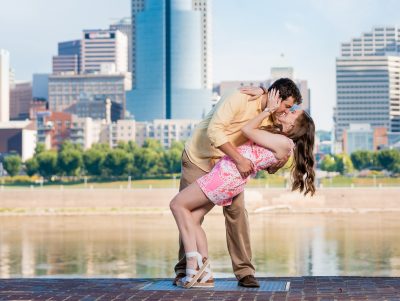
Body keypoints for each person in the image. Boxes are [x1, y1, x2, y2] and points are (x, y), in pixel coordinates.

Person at [170, 88, 316, 288]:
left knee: (189, 209)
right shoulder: (241, 98)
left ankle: (237, 271)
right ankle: (197, 271)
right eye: (288, 106)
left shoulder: (274, 123)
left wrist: (272, 159)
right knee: (191, 218)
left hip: (227, 173)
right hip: (201, 158)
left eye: (291, 111)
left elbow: (265, 152)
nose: (285, 111)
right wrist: (264, 93)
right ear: (276, 97)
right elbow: (215, 131)